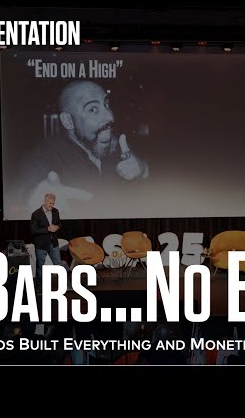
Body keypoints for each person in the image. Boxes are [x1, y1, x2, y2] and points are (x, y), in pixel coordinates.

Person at [18, 80, 149, 216]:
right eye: (93, 109)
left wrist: (142, 168)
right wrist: (36, 195)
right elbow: (24, 185)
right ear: (68, 121)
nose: (109, 116)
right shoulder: (45, 153)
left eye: (106, 105)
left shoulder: (117, 143)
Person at [30, 193, 62, 284]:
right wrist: (47, 229)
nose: (52, 205)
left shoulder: (55, 211)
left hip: (53, 243)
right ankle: (39, 285)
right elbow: (33, 230)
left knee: (58, 264)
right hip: (41, 245)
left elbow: (59, 223)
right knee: (40, 266)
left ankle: (62, 284)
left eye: (53, 203)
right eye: (50, 203)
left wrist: (57, 227)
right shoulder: (36, 214)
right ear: (45, 201)